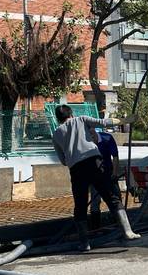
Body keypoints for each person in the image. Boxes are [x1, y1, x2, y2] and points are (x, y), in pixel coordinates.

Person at [52, 105, 140, 251]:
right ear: (71, 114)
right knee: (111, 196)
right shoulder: (81, 120)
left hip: (76, 169)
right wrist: (125, 120)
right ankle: (128, 232)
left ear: (57, 118)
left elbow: (63, 161)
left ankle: (84, 243)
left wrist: (74, 155)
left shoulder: (56, 134)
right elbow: (104, 123)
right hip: (94, 162)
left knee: (80, 205)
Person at [89, 128, 120, 230]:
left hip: (109, 173)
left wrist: (115, 173)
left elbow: (115, 156)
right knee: (95, 200)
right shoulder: (85, 142)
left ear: (93, 130)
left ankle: (119, 222)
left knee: (115, 198)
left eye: (91, 135)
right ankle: (95, 227)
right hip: (94, 175)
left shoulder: (107, 138)